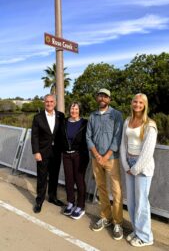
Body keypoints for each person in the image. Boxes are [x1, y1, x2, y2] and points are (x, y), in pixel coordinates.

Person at [120, 93, 157, 247]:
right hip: (129, 164)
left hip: (142, 167)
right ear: (132, 103)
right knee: (132, 202)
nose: (137, 104)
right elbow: (123, 144)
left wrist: (135, 168)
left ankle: (146, 237)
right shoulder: (128, 121)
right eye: (135, 101)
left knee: (142, 203)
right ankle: (137, 230)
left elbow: (148, 151)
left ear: (145, 105)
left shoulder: (150, 124)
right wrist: (126, 165)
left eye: (140, 102)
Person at [86, 88, 123, 240]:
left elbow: (117, 137)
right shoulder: (92, 116)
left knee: (116, 190)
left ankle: (118, 222)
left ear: (109, 99)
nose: (102, 98)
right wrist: (96, 155)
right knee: (101, 187)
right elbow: (88, 137)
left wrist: (106, 156)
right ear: (97, 98)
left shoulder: (116, 115)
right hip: (96, 158)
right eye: (100, 95)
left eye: (105, 96)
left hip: (111, 158)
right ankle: (105, 217)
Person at [31, 94, 65, 213]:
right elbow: (34, 136)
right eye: (47, 102)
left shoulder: (61, 116)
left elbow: (63, 134)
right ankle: (39, 201)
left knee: (54, 176)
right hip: (42, 152)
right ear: (44, 103)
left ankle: (52, 197)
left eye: (51, 101)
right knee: (42, 177)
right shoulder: (37, 118)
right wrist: (36, 152)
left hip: (56, 152)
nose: (49, 103)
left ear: (55, 103)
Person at [62, 102, 89, 219]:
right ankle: (71, 202)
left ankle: (80, 206)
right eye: (72, 109)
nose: (74, 111)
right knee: (68, 180)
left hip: (80, 155)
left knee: (79, 180)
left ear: (79, 111)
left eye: (76, 109)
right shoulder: (64, 122)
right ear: (69, 110)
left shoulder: (85, 123)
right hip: (66, 155)